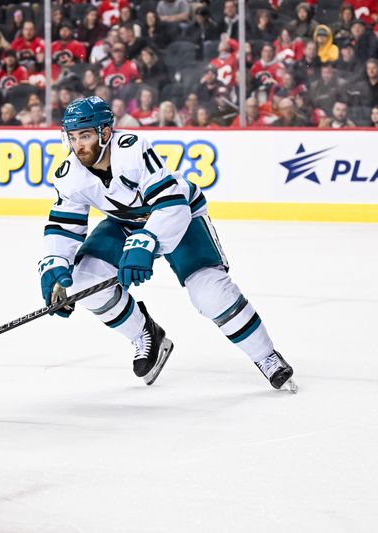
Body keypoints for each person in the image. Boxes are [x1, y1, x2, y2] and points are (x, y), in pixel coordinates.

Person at [38, 96, 295, 391]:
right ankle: (146, 334)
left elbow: (172, 203)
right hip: (127, 223)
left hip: (179, 216)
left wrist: (147, 241)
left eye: (84, 135)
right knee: (83, 280)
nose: (77, 145)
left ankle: (267, 356)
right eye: (71, 137)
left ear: (105, 133)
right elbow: (64, 225)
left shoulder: (131, 150)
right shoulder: (70, 174)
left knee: (210, 293)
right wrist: (55, 265)